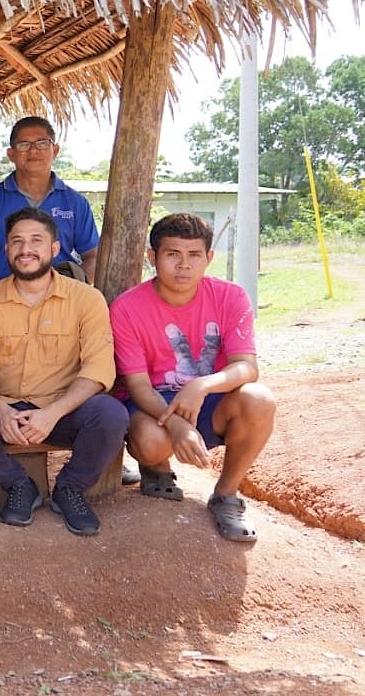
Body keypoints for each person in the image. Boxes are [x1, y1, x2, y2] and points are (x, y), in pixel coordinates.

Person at [0, 207, 127, 536]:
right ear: (6, 250)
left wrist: (53, 413)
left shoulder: (87, 299)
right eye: (17, 241)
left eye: (36, 241)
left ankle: (71, 488)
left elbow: (100, 367)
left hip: (64, 410)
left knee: (111, 414)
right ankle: (19, 485)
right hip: (9, 409)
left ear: (54, 249)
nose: (25, 249)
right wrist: (0, 411)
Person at [110, 213, 276, 541]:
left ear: (208, 258)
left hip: (209, 400)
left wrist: (203, 384)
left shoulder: (231, 296)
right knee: (152, 442)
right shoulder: (127, 308)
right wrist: (175, 424)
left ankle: (226, 495)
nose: (183, 265)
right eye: (173, 254)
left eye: (194, 255)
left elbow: (247, 367)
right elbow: (137, 385)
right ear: (152, 257)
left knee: (260, 399)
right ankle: (156, 469)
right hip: (153, 403)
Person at [0, 116, 100, 286]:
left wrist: (71, 289)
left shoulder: (76, 203)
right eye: (24, 145)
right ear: (11, 154)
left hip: (61, 304)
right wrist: (4, 299)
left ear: (55, 150)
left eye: (42, 143)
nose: (33, 150)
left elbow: (94, 256)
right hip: (5, 304)